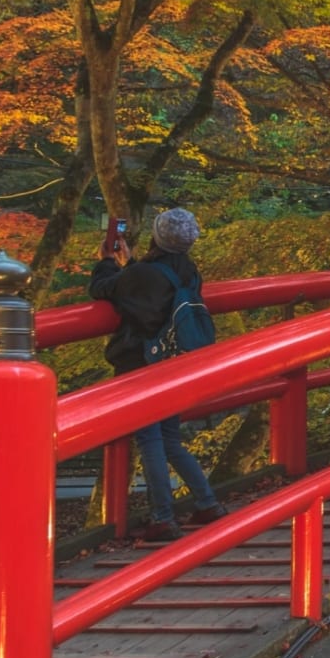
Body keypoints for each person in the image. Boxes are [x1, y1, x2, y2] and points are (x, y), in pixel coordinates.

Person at [89, 207, 227, 542]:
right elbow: (149, 288)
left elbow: (103, 289)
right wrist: (131, 264)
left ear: (158, 236)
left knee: (150, 439)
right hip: (175, 361)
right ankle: (207, 502)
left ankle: (163, 517)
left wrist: (108, 261)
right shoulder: (188, 271)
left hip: (142, 363)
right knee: (169, 437)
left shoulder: (144, 274)